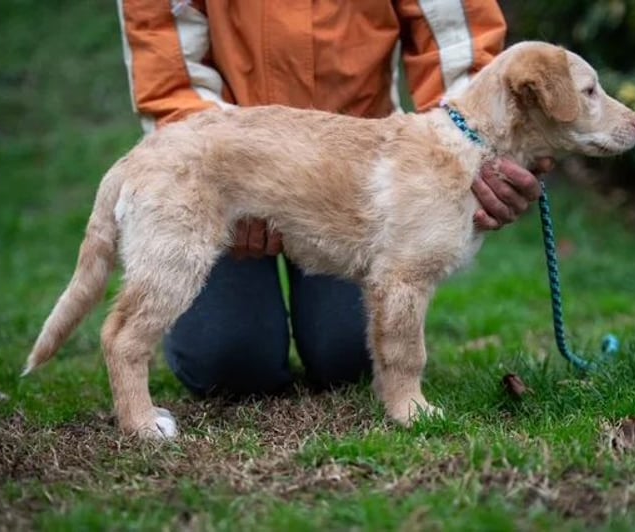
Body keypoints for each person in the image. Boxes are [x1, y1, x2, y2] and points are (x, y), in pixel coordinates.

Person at [116, 0, 547, 399]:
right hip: (228, 154)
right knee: (228, 365)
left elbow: (455, 33)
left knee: (348, 357)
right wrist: (222, 173)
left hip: (356, 175)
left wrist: (480, 144)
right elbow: (164, 50)